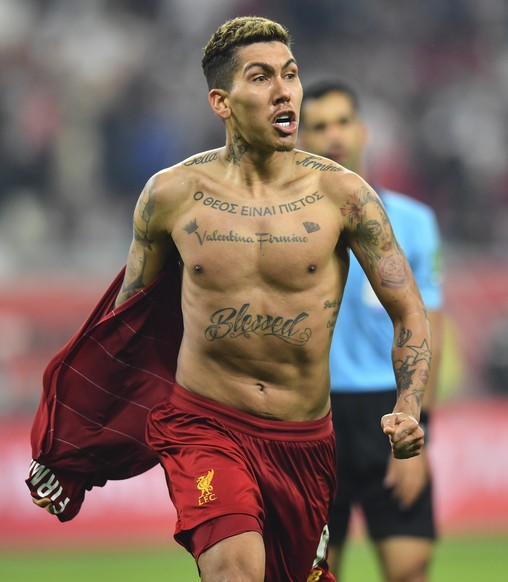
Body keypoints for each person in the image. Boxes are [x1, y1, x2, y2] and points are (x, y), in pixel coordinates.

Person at [32, 17, 432, 582]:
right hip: (205, 426)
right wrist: (74, 444)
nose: (284, 90)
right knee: (235, 573)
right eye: (262, 76)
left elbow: (409, 311)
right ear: (221, 101)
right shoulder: (170, 195)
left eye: (290, 75)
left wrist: (410, 406)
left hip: (305, 440)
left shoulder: (345, 196)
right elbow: (125, 330)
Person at [300, 80, 443, 582]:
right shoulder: (289, 226)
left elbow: (430, 328)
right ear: (302, 139)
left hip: (388, 404)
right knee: (311, 572)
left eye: (342, 122)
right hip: (311, 413)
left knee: (409, 568)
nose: (333, 135)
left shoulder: (414, 221)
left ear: (362, 130)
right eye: (319, 126)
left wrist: (421, 428)